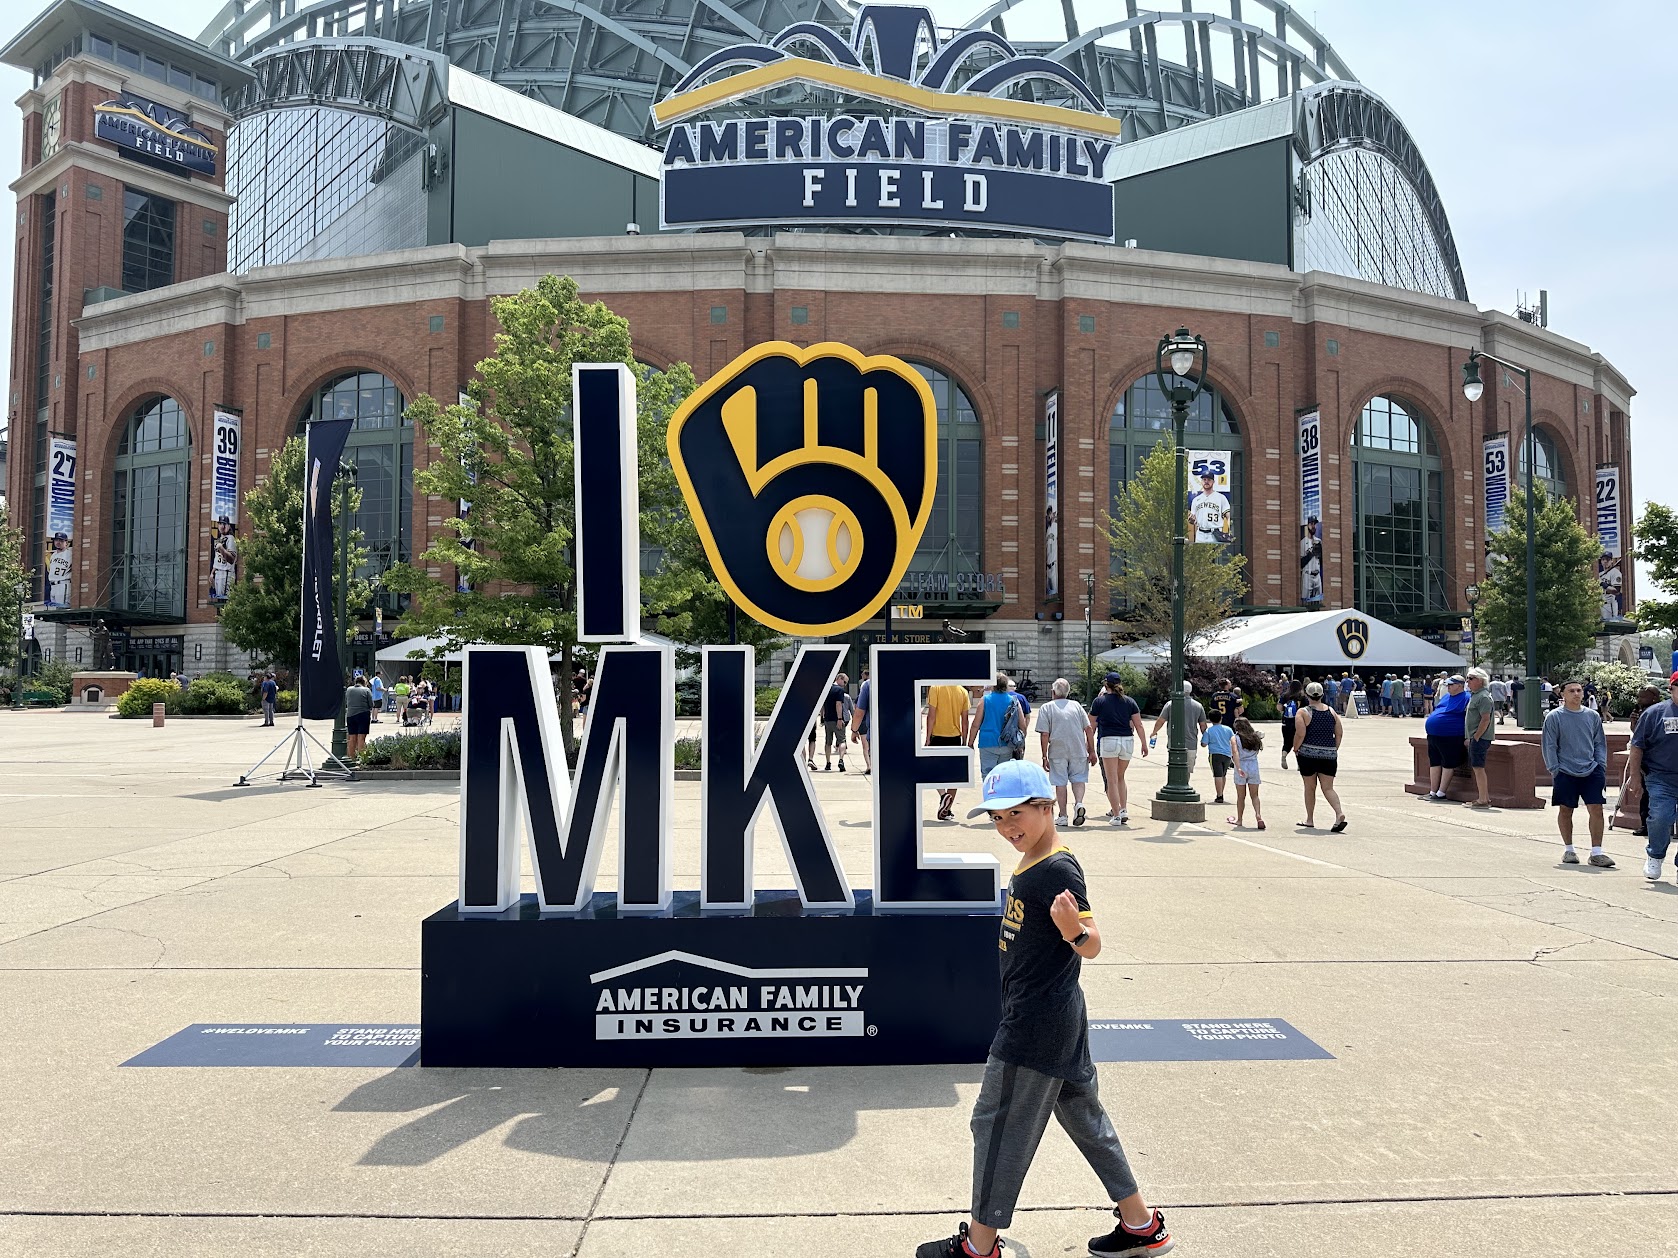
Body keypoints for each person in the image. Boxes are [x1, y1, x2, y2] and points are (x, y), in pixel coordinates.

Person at [918, 760, 1173, 1258]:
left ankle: (979, 1247)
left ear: (1046, 806)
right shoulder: (1036, 859)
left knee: (994, 1124)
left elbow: (1093, 943)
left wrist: (1073, 930)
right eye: (997, 818)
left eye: (1017, 814)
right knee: (1085, 1119)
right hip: (1059, 1018)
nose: (1007, 827)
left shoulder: (1055, 867)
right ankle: (1140, 1225)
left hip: (1035, 1024)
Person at [1543, 679, 1615, 868]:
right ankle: (1569, 849)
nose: (1576, 694)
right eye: (1572, 691)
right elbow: (1549, 745)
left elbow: (1599, 742)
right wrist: (1554, 769)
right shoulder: (1554, 717)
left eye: (1579, 690)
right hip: (1565, 771)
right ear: (1563, 695)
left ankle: (1597, 852)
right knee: (1566, 810)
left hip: (1592, 770)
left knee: (1596, 809)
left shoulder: (1592, 716)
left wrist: (1601, 765)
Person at [1628, 673, 1678, 883]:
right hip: (1661, 777)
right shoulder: (1655, 713)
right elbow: (1637, 745)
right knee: (1660, 817)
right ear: (1671, 689)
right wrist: (1634, 777)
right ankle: (1655, 855)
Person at [1036, 678, 1097, 827]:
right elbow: (1088, 729)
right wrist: (1092, 750)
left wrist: (1044, 756)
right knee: (1078, 778)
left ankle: (1063, 815)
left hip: (1058, 749)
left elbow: (1044, 734)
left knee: (1060, 782)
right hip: (1078, 748)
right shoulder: (1076, 706)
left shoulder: (1046, 707)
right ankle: (1079, 803)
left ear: (1053, 692)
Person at [1090, 672, 1147, 824]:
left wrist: (1088, 745)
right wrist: (1144, 743)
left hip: (1108, 740)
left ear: (1106, 685)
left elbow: (1091, 726)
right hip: (1127, 740)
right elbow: (1138, 724)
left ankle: (1116, 815)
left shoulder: (1099, 701)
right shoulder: (1130, 701)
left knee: (1112, 780)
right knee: (1121, 777)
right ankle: (1123, 808)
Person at [1293, 681, 1346, 831]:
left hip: (1308, 755)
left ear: (1307, 695)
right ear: (1322, 695)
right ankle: (1339, 813)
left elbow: (1300, 733)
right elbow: (1339, 733)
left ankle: (1309, 819)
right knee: (1328, 788)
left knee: (1310, 787)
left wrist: (1295, 748)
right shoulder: (1332, 712)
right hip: (1329, 755)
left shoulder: (1303, 712)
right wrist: (1333, 749)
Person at [926, 681, 972, 822]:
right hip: (955, 737)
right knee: (953, 775)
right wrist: (965, 740)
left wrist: (928, 738)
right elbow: (965, 720)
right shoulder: (962, 691)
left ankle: (942, 795)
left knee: (933, 771)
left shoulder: (935, 688)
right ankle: (947, 809)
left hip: (937, 736)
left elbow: (931, 716)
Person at [1421, 675, 1469, 799]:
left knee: (1448, 763)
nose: (1448, 687)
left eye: (1451, 685)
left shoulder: (1467, 697)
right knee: (1434, 762)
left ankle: (1441, 792)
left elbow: (1471, 718)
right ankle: (1433, 792)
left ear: (1460, 685)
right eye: (1447, 685)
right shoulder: (1446, 696)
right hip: (1434, 735)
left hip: (1451, 735)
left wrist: (1469, 736)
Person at [1148, 681, 1207, 778]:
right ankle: (1185, 786)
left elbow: (1161, 721)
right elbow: (1203, 725)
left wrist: (1154, 732)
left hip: (1174, 742)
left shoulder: (1170, 704)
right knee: (1187, 770)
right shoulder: (1198, 706)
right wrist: (1205, 739)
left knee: (1174, 767)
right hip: (1191, 743)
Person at [969, 674, 1024, 776]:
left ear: (993, 685)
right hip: (1007, 743)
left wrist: (970, 742)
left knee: (988, 775)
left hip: (987, 742)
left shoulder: (985, 700)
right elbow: (1022, 725)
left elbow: (975, 724)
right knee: (1004, 776)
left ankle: (989, 791)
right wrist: (1020, 742)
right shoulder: (1014, 701)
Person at [1628, 685, 1662, 837]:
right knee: (1646, 795)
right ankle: (1645, 825)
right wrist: (1634, 724)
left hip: (1661, 761)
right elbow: (1638, 738)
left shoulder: (1661, 712)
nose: (1639, 700)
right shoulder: (1640, 713)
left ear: (1654, 697)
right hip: (1646, 763)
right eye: (1638, 696)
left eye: (1643, 697)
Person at [1463, 668, 1495, 807]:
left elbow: (1485, 719)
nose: (1467, 681)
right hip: (1476, 738)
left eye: (1471, 678)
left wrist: (1476, 736)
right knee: (1477, 767)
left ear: (1480, 680)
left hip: (1480, 739)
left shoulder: (1483, 697)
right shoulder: (1476, 695)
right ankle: (1484, 798)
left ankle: (1482, 799)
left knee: (1478, 768)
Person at [1228, 717, 1265, 829]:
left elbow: (1235, 752)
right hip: (1253, 766)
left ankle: (1239, 820)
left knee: (1241, 796)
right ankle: (1258, 815)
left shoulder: (1235, 738)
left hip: (1242, 766)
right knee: (1255, 795)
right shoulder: (1255, 738)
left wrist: (1238, 767)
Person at [1188, 469, 1231, 544]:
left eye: (1209, 479)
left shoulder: (1221, 498)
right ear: (1201, 481)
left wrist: (1227, 531)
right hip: (1200, 534)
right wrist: (1191, 520)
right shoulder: (1196, 500)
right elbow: (1192, 521)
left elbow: (1228, 516)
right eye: (1204, 479)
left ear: (1213, 482)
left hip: (1215, 534)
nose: (1206, 481)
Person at [819, 672, 851, 771]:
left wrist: (822, 717)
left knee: (828, 742)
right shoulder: (839, 690)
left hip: (827, 719)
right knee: (842, 740)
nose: (845, 685)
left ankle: (828, 763)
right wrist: (840, 719)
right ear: (840, 678)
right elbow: (838, 705)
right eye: (845, 682)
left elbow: (822, 705)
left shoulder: (826, 688)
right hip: (837, 720)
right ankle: (841, 760)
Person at [1200, 713, 1234, 805]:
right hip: (1227, 755)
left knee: (1217, 775)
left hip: (1215, 754)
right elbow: (1233, 741)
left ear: (1210, 720)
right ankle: (1221, 792)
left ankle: (1219, 796)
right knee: (1223, 774)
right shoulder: (1228, 729)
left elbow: (1204, 744)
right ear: (1221, 719)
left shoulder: (1209, 731)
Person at [343, 671, 373, 759]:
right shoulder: (366, 690)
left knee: (351, 737)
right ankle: (361, 757)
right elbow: (371, 704)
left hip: (350, 715)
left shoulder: (349, 690)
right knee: (361, 737)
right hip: (363, 715)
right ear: (365, 683)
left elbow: (346, 701)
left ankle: (351, 757)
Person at [1279, 679, 1304, 769]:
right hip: (1299, 723)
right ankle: (1299, 764)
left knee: (1287, 742)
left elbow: (1279, 707)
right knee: (1300, 742)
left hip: (1286, 722)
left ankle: (1284, 756)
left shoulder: (1285, 695)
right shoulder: (1302, 696)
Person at [210, 517, 237, 600]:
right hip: (218, 573)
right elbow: (216, 559)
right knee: (219, 599)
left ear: (228, 526)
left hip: (226, 573)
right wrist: (212, 573)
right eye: (220, 524)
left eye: (224, 524)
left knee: (224, 601)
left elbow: (231, 560)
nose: (222, 526)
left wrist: (221, 548)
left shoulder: (231, 539)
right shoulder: (219, 539)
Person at [851, 669, 872, 776]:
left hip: (875, 733)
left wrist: (854, 730)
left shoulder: (868, 685)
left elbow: (859, 713)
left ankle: (870, 766)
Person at [1299, 517, 1324, 604]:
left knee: (1319, 602)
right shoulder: (1302, 542)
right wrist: (1311, 553)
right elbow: (1301, 563)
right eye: (1311, 524)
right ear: (1307, 525)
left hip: (1317, 575)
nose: (1313, 526)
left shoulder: (1319, 541)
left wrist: (1320, 553)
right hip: (1307, 575)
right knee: (1305, 603)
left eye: (1315, 524)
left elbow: (1322, 561)